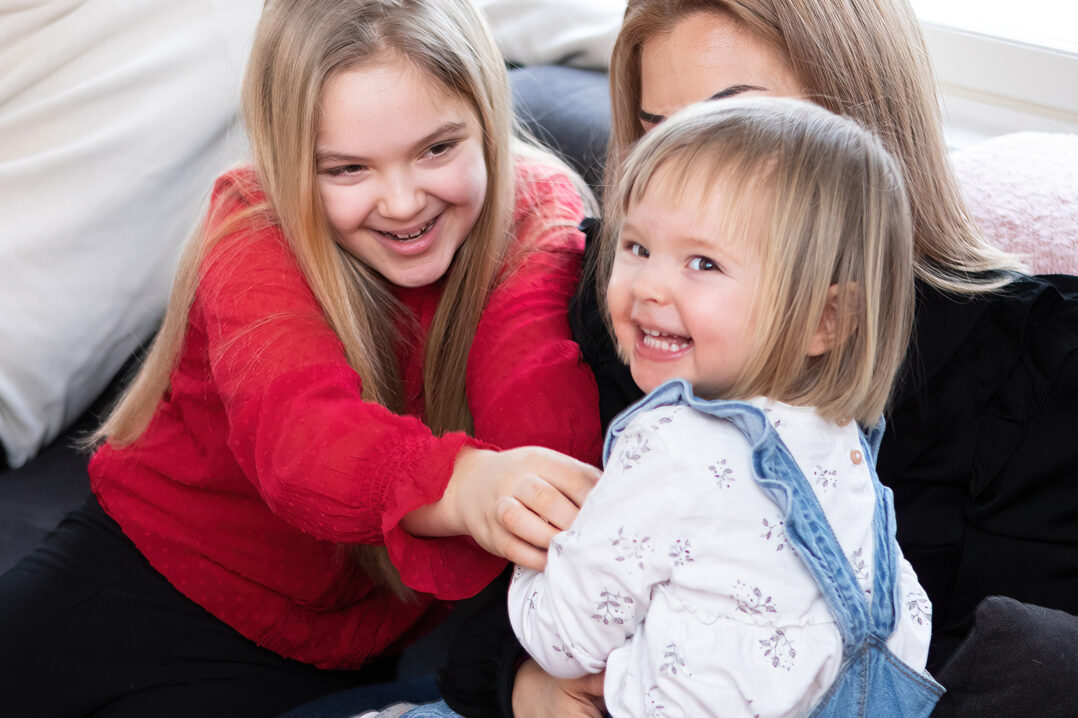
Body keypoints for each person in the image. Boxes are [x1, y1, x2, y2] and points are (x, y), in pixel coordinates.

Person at [427, 1, 1078, 716]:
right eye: (659, 136)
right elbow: (493, 609)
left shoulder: (1036, 362)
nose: (685, 178)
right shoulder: (639, 314)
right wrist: (530, 693)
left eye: (738, 128)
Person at [0, 0, 605, 715]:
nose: (404, 201)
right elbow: (303, 440)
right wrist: (469, 482)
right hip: (142, 575)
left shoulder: (536, 219)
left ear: (487, 120)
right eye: (347, 169)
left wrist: (535, 492)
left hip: (337, 650)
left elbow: (541, 410)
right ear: (289, 160)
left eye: (438, 149)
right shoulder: (254, 224)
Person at [509, 97, 941, 718]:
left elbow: (564, 638)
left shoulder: (673, 443)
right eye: (636, 246)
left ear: (825, 319)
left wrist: (536, 554)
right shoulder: (840, 442)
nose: (650, 286)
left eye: (703, 263)